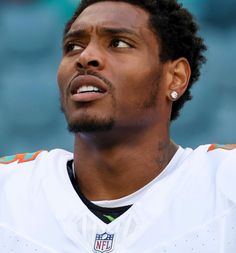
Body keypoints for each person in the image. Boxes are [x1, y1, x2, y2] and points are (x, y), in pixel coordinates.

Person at [0, 0, 235, 253]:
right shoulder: (8, 193)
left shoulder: (225, 185)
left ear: (175, 77)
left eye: (118, 43)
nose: (85, 57)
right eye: (73, 46)